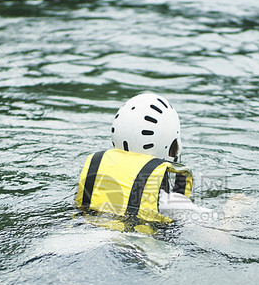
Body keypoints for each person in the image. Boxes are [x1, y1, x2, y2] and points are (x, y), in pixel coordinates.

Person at [76, 92, 209, 227]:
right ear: (170, 145)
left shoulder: (92, 180)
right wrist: (231, 207)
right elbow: (219, 235)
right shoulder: (171, 204)